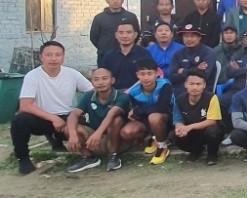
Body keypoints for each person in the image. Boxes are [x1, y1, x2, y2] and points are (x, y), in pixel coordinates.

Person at [13, 42, 95, 174]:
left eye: (58, 55)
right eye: (49, 55)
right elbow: (25, 105)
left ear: (63, 57)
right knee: (20, 120)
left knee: (79, 130)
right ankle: (23, 159)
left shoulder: (72, 74)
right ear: (41, 57)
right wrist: (53, 118)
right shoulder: (32, 76)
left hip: (68, 116)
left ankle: (85, 154)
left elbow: (92, 92)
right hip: (43, 117)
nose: (53, 58)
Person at [62, 68, 127, 173]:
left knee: (116, 120)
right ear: (92, 82)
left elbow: (111, 115)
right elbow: (73, 114)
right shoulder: (88, 96)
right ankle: (88, 158)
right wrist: (72, 134)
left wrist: (98, 133)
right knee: (69, 128)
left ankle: (114, 155)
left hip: (115, 138)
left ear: (112, 80)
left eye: (105, 78)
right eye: (96, 79)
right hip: (94, 138)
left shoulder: (121, 96)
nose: (100, 82)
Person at [121, 59, 174, 165]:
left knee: (154, 117)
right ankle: (154, 138)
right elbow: (139, 116)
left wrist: (137, 110)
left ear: (157, 73)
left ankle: (162, 147)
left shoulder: (164, 85)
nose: (146, 78)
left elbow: (163, 108)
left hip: (168, 119)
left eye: (150, 73)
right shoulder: (134, 92)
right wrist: (138, 112)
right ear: (137, 75)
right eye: (142, 74)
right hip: (147, 121)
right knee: (126, 132)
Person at [170, 69, 224, 165]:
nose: (195, 87)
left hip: (206, 131)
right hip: (191, 133)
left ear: (204, 85)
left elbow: (212, 121)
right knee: (173, 135)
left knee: (213, 131)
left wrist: (189, 127)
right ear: (186, 84)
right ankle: (196, 151)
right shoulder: (179, 100)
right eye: (191, 84)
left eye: (198, 84)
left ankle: (212, 154)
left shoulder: (212, 98)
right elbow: (178, 120)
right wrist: (180, 128)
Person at [91, 0, 140, 64]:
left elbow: (136, 35)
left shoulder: (131, 17)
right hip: (105, 56)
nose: (115, 1)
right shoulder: (99, 18)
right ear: (107, 1)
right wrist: (104, 47)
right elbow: (94, 37)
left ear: (122, 0)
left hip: (127, 56)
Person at [100, 21, 153, 90]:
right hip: (115, 95)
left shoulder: (144, 54)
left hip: (139, 93)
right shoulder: (109, 55)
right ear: (116, 35)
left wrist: (129, 92)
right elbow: (104, 77)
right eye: (121, 33)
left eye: (129, 32)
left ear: (135, 34)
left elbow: (148, 77)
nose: (124, 36)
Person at [168, 24, 217, 91]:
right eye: (186, 36)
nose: (189, 39)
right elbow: (172, 77)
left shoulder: (209, 53)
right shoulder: (178, 54)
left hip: (201, 90)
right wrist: (196, 69)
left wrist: (183, 71)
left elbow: (204, 76)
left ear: (199, 37)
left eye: (192, 36)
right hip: (179, 88)